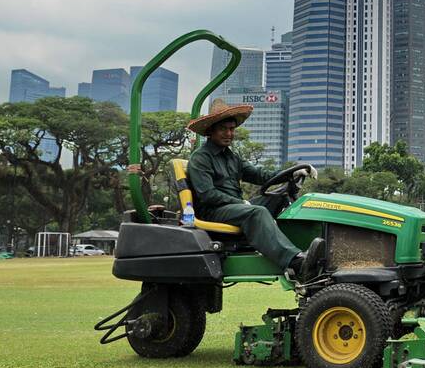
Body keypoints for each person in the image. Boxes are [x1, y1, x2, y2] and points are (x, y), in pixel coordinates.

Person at [129, 99, 324, 277]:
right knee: (256, 213)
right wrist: (240, 202)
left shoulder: (232, 157)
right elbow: (208, 195)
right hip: (212, 212)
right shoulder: (201, 158)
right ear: (210, 131)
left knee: (279, 196)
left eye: (232, 129)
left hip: (233, 208)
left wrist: (293, 172)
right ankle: (294, 261)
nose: (229, 134)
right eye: (223, 129)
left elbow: (259, 174)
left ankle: (302, 247)